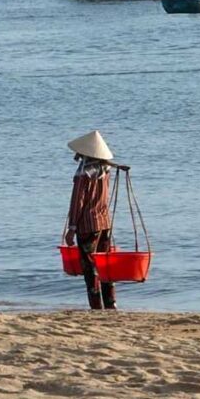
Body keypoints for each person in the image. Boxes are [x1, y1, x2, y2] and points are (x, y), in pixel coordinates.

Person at [64, 130, 117, 311]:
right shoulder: (106, 171)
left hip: (87, 225)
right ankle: (111, 303)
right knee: (105, 265)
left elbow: (77, 202)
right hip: (104, 222)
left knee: (90, 267)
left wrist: (71, 228)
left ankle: (96, 306)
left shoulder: (83, 175)